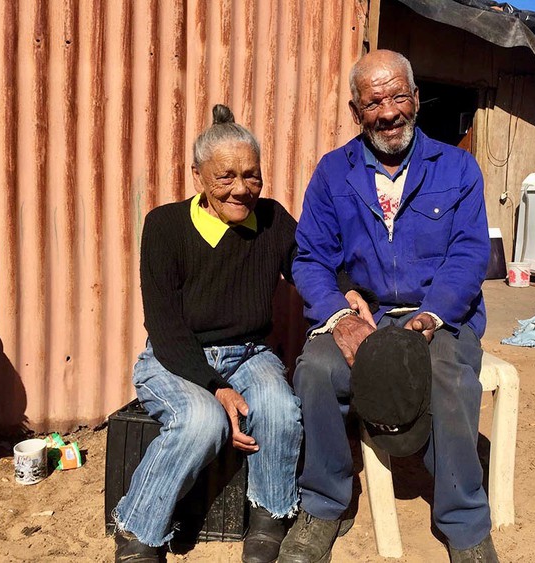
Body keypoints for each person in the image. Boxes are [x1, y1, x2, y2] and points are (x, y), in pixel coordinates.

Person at [112, 104, 371, 563]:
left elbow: (309, 265)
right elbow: (166, 326)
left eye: (252, 176)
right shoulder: (165, 226)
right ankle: (138, 531)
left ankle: (268, 521)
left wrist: (345, 296)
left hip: (250, 353)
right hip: (179, 356)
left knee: (277, 407)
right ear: (198, 176)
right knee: (202, 422)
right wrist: (216, 388)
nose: (241, 189)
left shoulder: (271, 219)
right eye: (225, 176)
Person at [280, 50, 498, 563]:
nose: (389, 111)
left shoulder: (459, 167)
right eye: (374, 101)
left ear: (416, 99)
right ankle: (324, 505)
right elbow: (310, 257)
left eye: (399, 96)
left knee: (449, 376)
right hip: (368, 316)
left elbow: (469, 254)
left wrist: (432, 313)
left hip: (438, 315)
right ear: (357, 112)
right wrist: (339, 316)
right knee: (315, 370)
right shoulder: (333, 173)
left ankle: (465, 523)